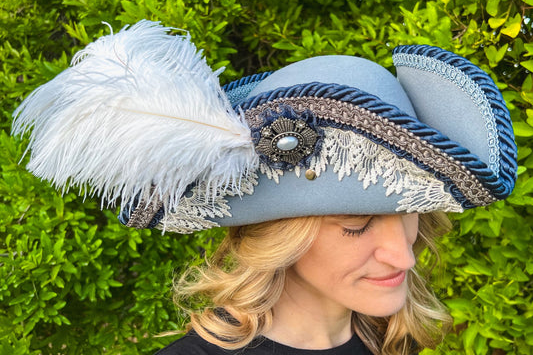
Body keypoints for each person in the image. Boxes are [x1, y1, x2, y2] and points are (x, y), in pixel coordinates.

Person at [12, 21, 517, 355]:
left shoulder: (387, 339)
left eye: (407, 214)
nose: (403, 257)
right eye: (356, 226)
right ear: (280, 234)